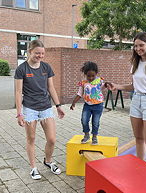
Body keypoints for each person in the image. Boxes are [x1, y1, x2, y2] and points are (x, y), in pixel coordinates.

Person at [108, 32, 146, 168]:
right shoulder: (135, 63)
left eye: (141, 45)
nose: (138, 48)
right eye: (135, 46)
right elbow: (134, 86)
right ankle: (140, 168)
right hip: (136, 100)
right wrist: (117, 86)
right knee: (139, 138)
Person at [14, 40, 65, 180]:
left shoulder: (46, 67)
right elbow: (18, 92)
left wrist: (58, 106)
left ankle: (48, 161)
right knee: (31, 138)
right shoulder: (22, 69)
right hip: (30, 108)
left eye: (42, 53)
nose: (40, 56)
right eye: (37, 53)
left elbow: (51, 88)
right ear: (30, 51)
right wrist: (19, 113)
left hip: (46, 107)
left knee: (52, 139)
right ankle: (33, 168)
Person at [70, 61, 107, 145]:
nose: (90, 78)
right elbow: (79, 94)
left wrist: (108, 84)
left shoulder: (99, 81)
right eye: (88, 76)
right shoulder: (83, 83)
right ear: (85, 74)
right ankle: (86, 135)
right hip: (87, 105)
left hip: (98, 105)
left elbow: (104, 87)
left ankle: (94, 137)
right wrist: (73, 103)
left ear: (96, 74)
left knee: (95, 122)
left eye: (93, 76)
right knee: (84, 120)